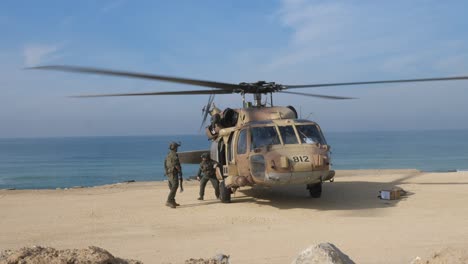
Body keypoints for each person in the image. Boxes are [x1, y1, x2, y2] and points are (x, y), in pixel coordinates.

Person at [164, 142, 183, 208]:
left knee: (172, 187)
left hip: (168, 173)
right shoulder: (174, 155)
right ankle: (169, 201)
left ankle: (172, 201)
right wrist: (180, 172)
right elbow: (176, 165)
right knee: (175, 186)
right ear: (174, 148)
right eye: (177, 147)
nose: (177, 148)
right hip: (173, 173)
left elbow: (165, 163)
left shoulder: (168, 154)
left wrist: (166, 171)